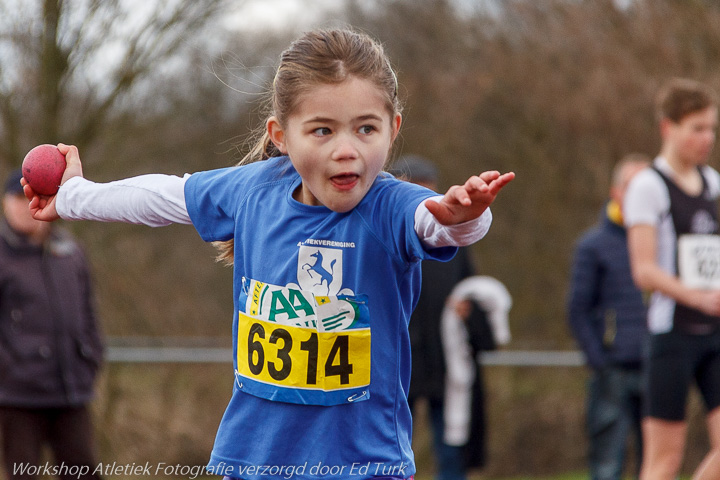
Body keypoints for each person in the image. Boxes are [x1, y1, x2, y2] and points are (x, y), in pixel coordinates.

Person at [22, 29, 515, 480]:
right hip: (254, 460)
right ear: (282, 136)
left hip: (363, 466)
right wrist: (73, 196)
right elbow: (163, 197)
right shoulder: (254, 191)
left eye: (366, 129)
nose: (347, 150)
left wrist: (463, 214)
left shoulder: (390, 205)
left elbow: (437, 223)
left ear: (393, 128)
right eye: (323, 130)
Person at [624, 77, 720, 480]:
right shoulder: (648, 187)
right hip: (671, 334)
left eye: (712, 128)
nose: (707, 138)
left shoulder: (714, 183)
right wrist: (697, 297)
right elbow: (644, 271)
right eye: (697, 128)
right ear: (669, 127)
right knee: (664, 459)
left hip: (714, 332)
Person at [0, 169, 103, 480]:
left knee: (84, 473)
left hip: (70, 391)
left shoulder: (70, 252)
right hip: (17, 396)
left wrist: (90, 357)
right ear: (5, 203)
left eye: (29, 197)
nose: (23, 206)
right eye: (17, 198)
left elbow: (88, 313)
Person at [392, 154, 479, 480]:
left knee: (451, 450)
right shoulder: (384, 233)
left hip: (444, 362)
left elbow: (471, 286)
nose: (427, 205)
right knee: (394, 447)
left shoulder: (453, 235)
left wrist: (468, 309)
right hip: (400, 362)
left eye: (432, 195)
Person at [567, 154, 650, 480]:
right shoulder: (593, 246)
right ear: (616, 191)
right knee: (606, 464)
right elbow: (577, 309)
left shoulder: (664, 243)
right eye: (634, 185)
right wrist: (600, 359)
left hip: (658, 366)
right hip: (611, 372)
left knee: (658, 463)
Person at [440, 275, 511, 475]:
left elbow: (488, 342)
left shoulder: (460, 269)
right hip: (417, 373)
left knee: (454, 445)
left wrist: (469, 318)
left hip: (453, 379)